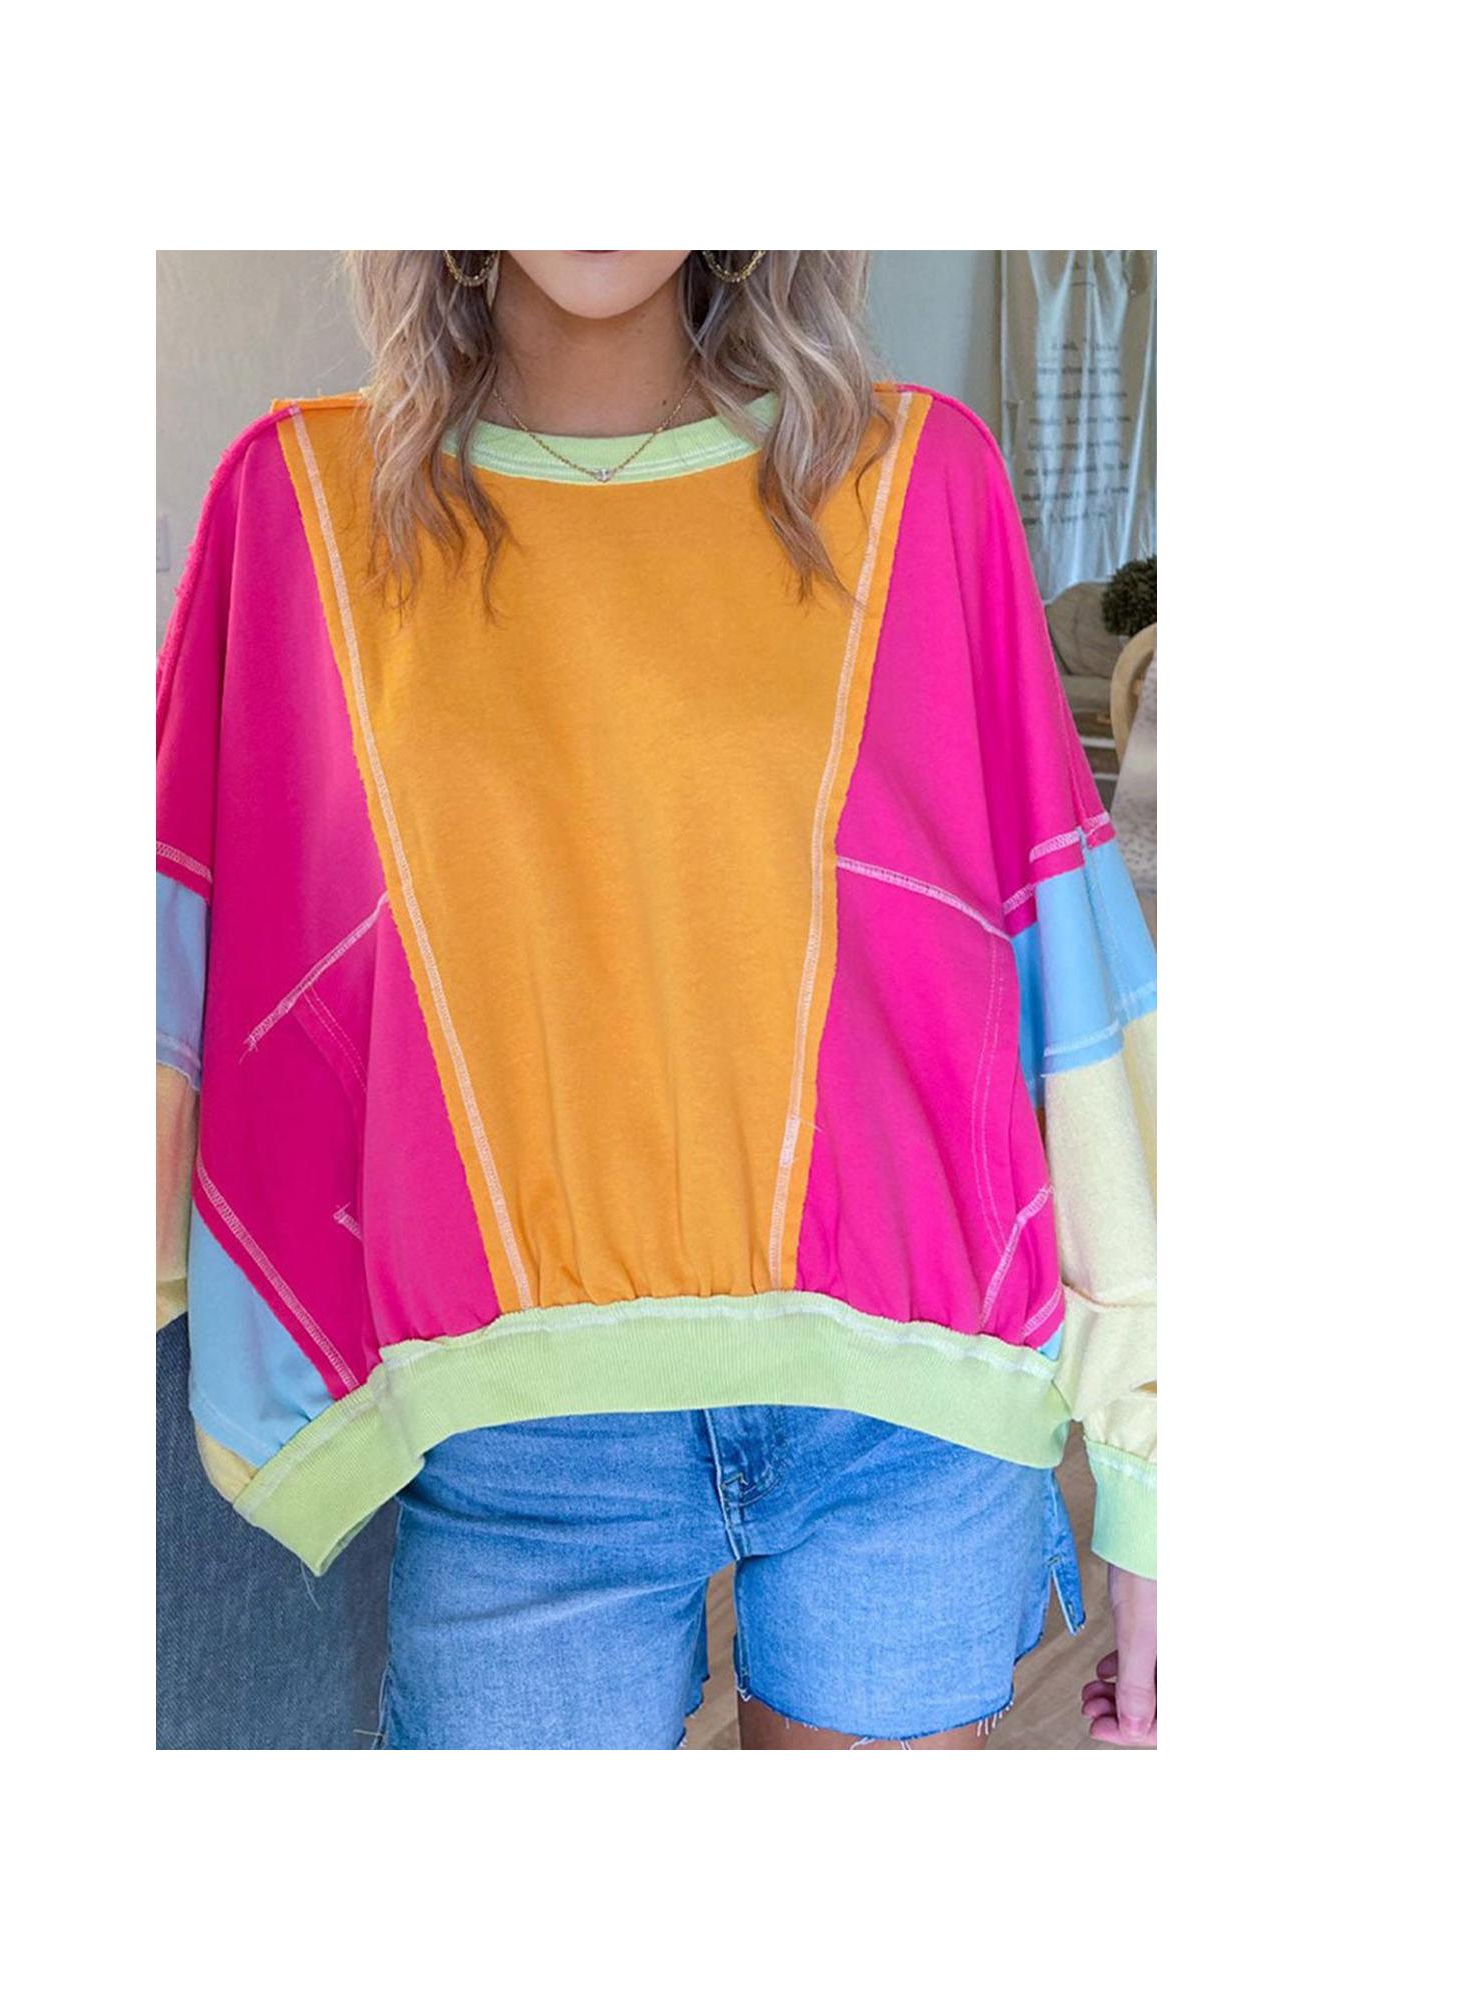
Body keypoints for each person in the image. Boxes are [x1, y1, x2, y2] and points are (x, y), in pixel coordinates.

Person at [156, 251, 1157, 1750]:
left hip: (910, 1415)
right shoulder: (299, 505)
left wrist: (1155, 1469)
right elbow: (189, 976)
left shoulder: (918, 478)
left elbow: (1066, 968)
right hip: (510, 1446)